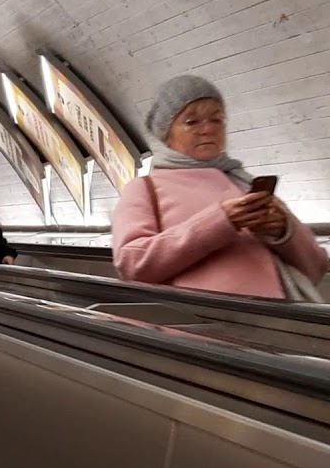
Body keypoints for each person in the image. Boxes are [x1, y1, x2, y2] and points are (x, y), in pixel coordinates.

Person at [111, 75, 327, 300]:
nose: (207, 130)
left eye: (216, 120)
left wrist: (283, 231)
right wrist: (221, 221)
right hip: (200, 325)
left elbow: (317, 267)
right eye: (191, 122)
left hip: (280, 322)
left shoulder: (244, 183)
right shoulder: (144, 188)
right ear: (167, 133)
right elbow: (131, 264)